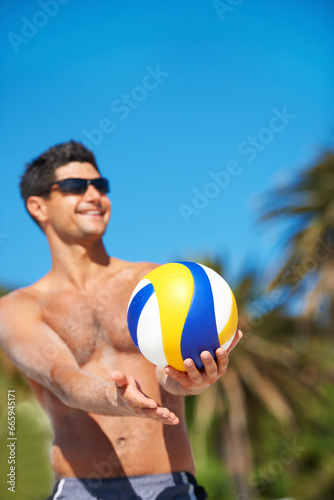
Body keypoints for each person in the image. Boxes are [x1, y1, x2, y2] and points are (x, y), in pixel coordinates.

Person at [0, 140, 242, 500]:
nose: (95, 194)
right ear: (38, 206)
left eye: (101, 185)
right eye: (75, 187)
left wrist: (188, 381)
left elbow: (168, 374)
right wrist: (118, 400)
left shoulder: (155, 282)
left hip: (171, 488)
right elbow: (62, 378)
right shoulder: (18, 308)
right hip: (78, 492)